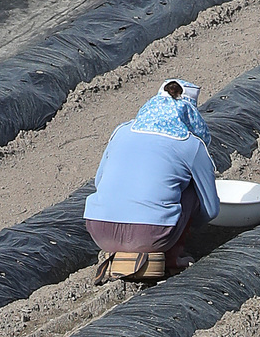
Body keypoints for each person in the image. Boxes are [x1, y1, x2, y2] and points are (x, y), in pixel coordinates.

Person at [84, 78, 219, 282]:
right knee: (192, 188)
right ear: (190, 113)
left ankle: (117, 251)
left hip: (99, 230)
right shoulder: (191, 144)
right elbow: (211, 209)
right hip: (152, 235)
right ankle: (172, 258)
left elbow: (98, 182)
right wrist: (189, 227)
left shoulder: (121, 132)